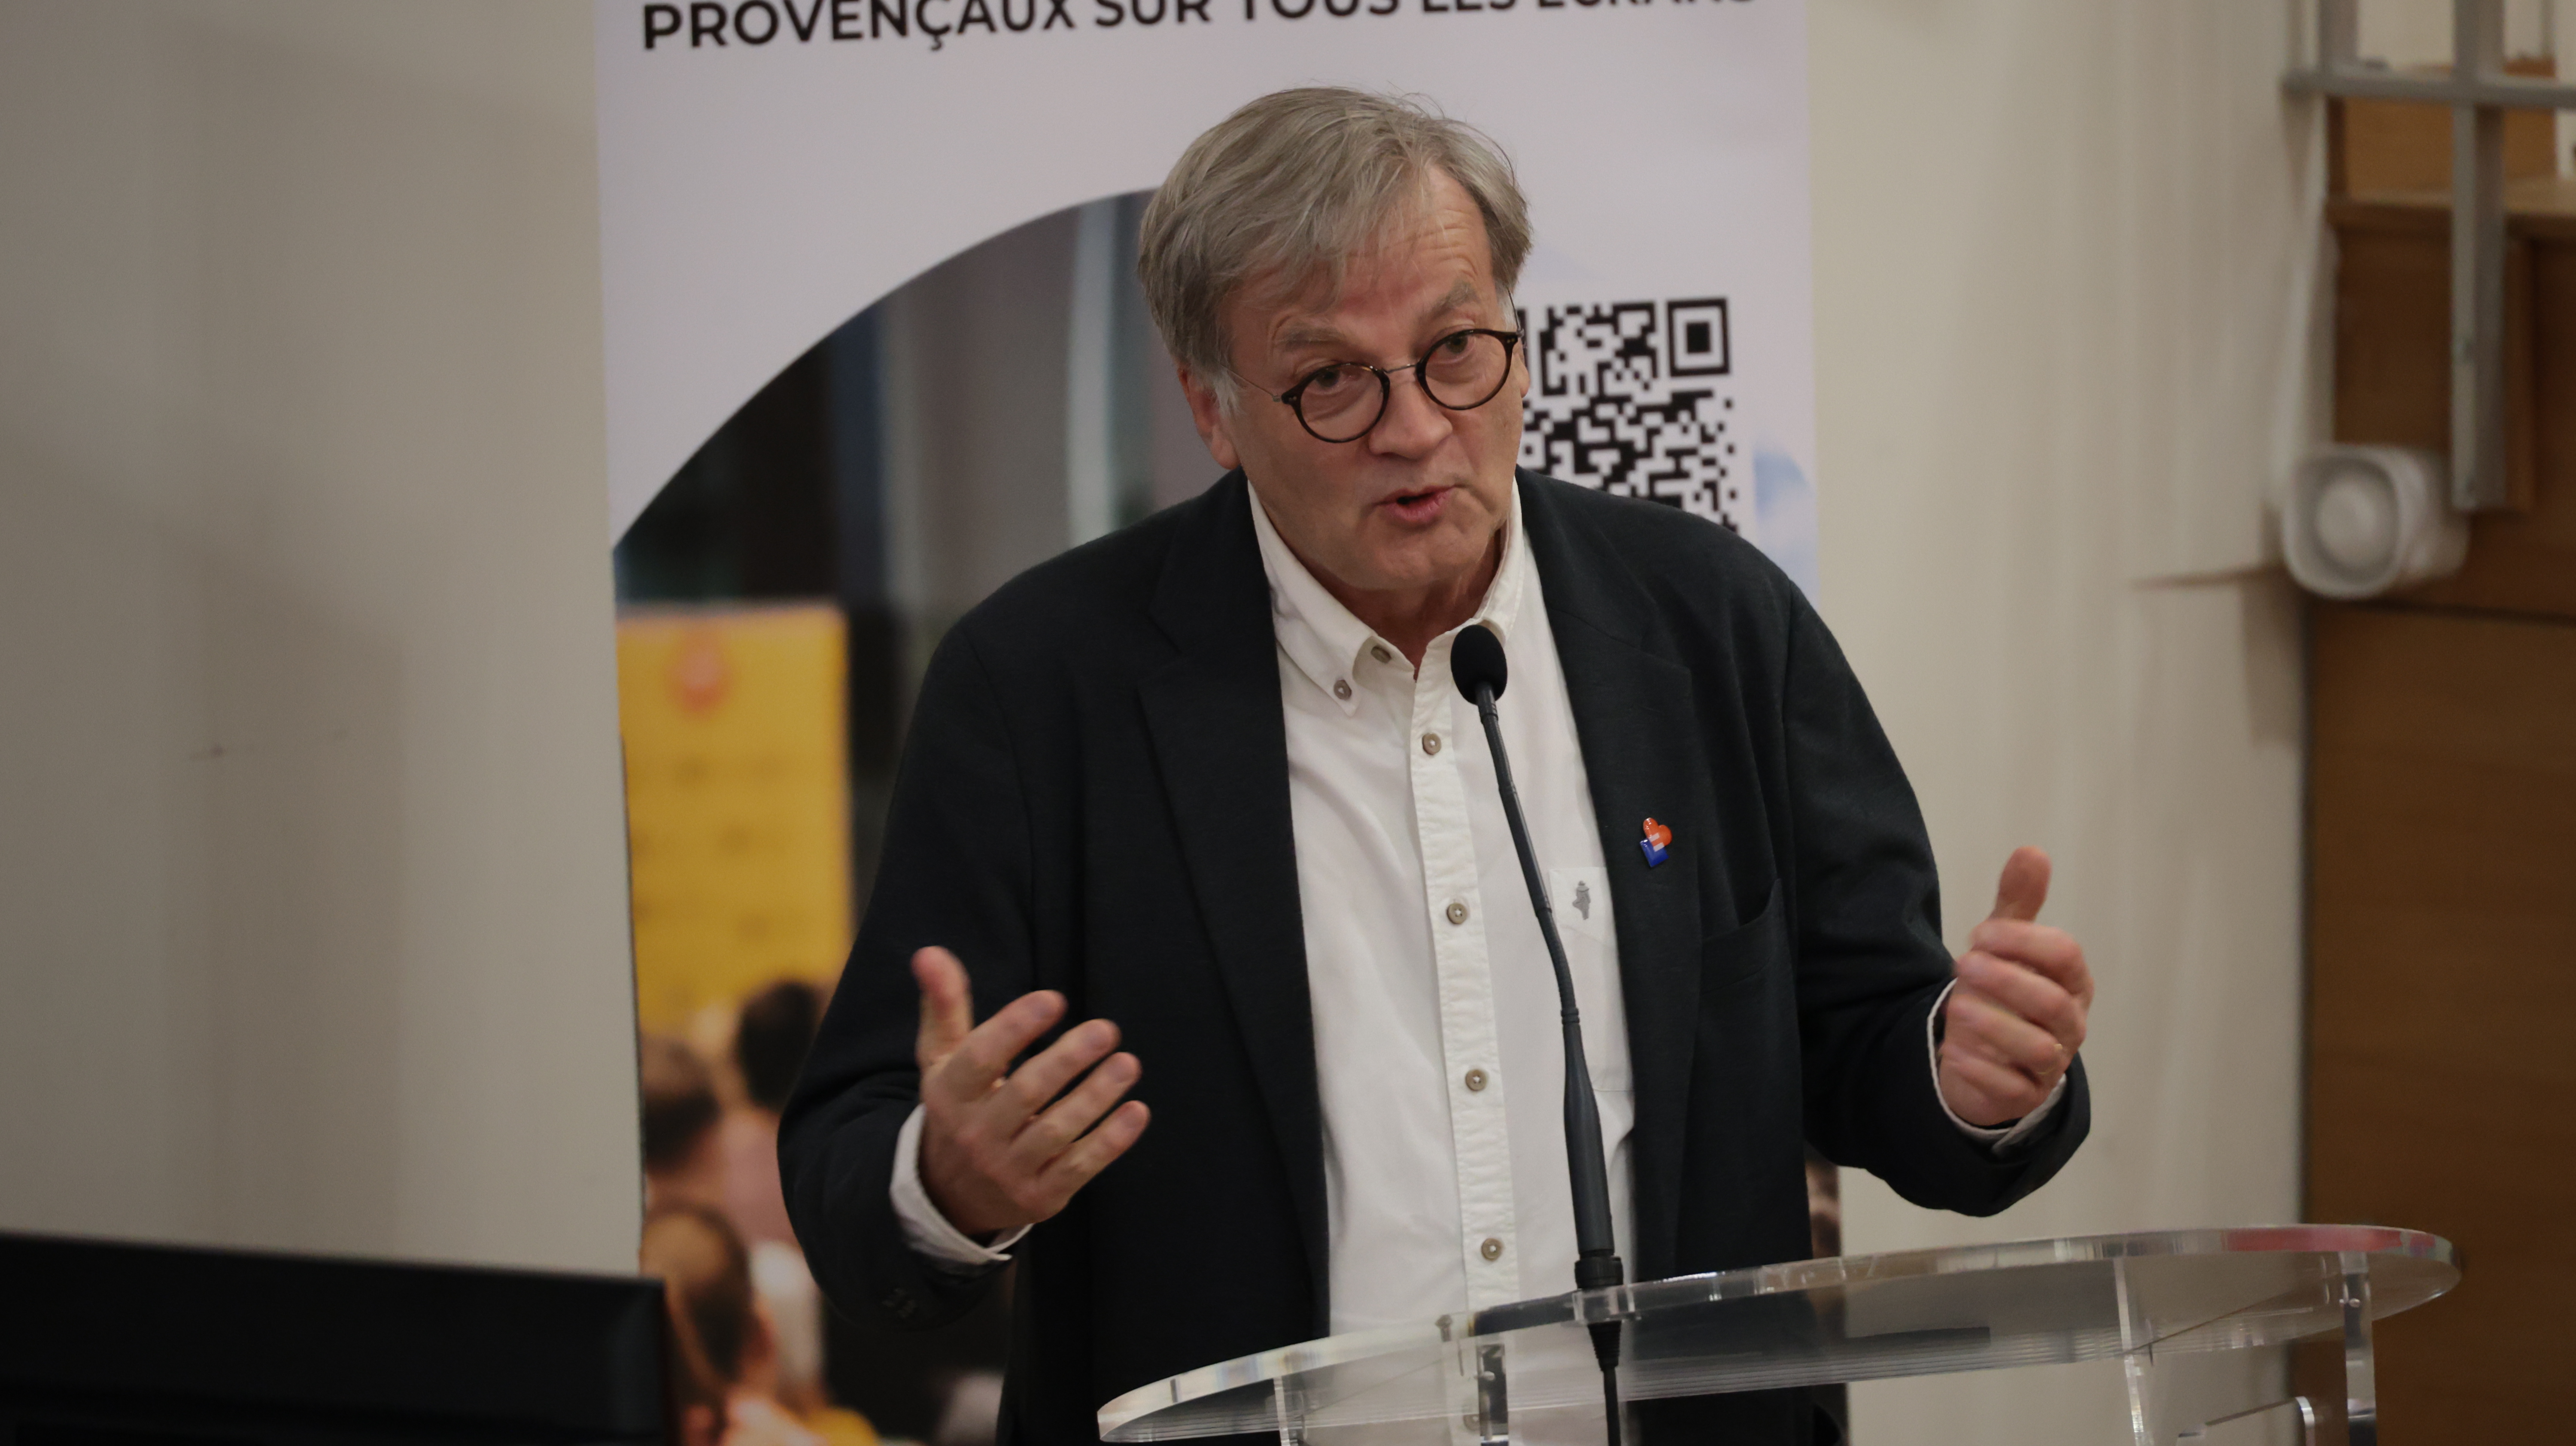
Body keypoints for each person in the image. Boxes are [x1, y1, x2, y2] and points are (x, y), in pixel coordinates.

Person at [781, 87, 2095, 1444]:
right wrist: (953, 1182)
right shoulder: (1041, 686)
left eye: (1456, 350)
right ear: (1212, 409)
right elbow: (851, 1164)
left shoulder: (1713, 625)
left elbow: (1868, 1034)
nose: (1413, 427)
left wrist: (1967, 1077)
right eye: (1332, 381)